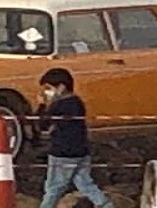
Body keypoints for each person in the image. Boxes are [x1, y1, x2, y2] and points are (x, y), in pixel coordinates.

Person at [37, 68, 112, 208]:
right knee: (85, 184)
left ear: (61, 87)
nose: (47, 92)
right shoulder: (77, 102)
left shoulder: (58, 105)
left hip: (62, 153)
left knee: (54, 187)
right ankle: (105, 205)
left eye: (49, 88)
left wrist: (42, 105)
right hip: (81, 151)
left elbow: (41, 123)